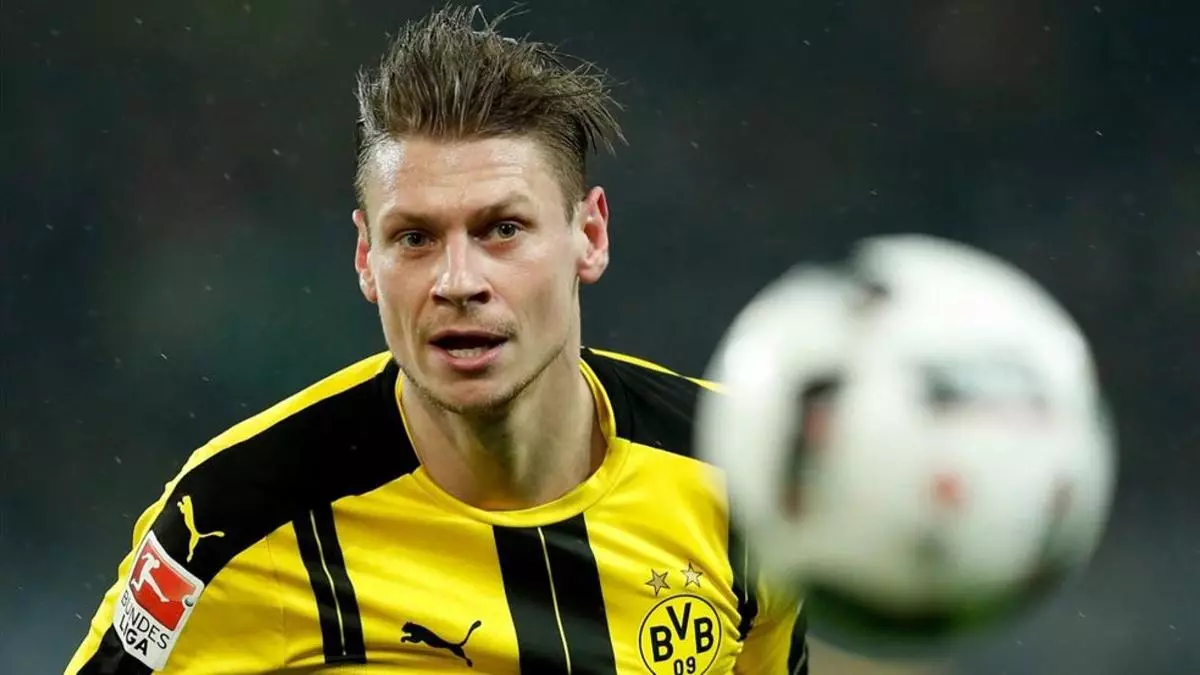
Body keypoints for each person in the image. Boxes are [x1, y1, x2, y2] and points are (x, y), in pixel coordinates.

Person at [66, 6, 941, 674]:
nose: (458, 280)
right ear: (367, 259)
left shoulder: (743, 475)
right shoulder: (233, 515)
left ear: (589, 235)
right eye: (415, 237)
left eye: (502, 229)